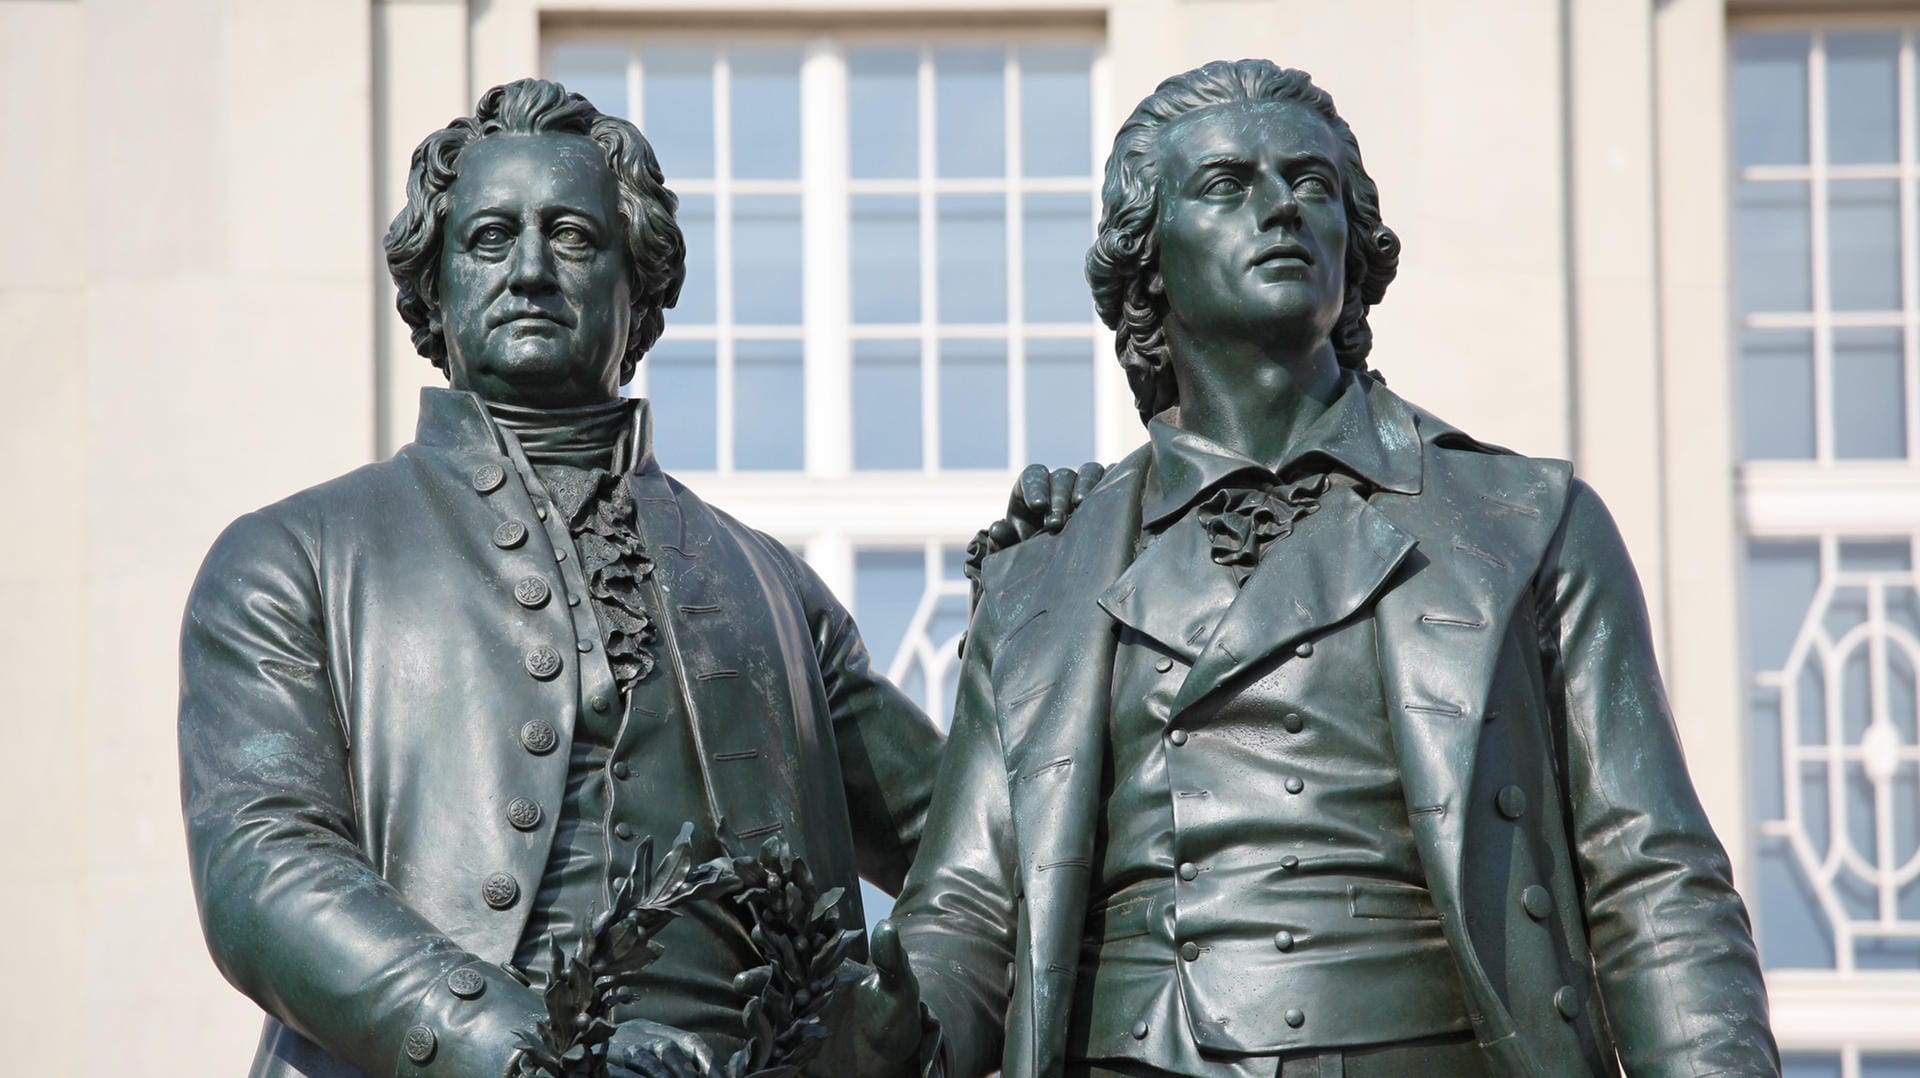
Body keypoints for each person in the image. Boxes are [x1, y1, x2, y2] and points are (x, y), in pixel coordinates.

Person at [858, 59, 1779, 1077]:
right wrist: (875, 1018)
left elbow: (1653, 884)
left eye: (1312, 185)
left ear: (1356, 241)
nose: (1281, 208)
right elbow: (968, 911)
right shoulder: (1045, 579)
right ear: (1147, 259)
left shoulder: (1524, 521)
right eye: (1227, 185)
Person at [179, 78, 1089, 1077]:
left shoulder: (772, 591)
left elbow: (976, 843)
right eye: (489, 239)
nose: (528, 270)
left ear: (638, 284)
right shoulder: (293, 557)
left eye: (571, 237)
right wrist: (529, 1051)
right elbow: (263, 870)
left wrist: (1050, 601)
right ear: (432, 284)